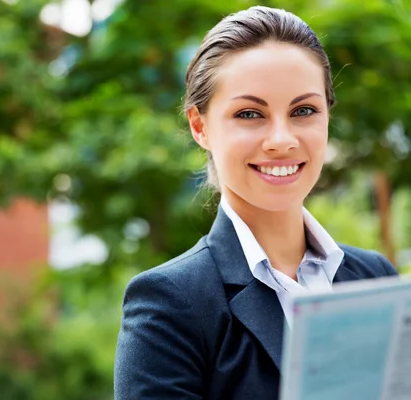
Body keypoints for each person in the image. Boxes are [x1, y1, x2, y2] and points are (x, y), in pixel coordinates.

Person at [113, 6, 398, 400]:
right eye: (249, 113)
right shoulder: (170, 304)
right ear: (200, 126)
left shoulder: (374, 278)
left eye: (304, 111)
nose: (281, 140)